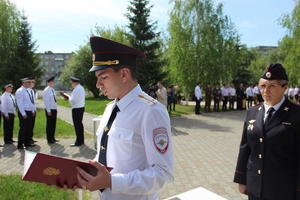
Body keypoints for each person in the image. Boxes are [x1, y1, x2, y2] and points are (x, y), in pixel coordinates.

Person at [64, 36, 175, 200]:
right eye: (97, 78)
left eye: (103, 77)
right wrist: (90, 171)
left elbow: (163, 174)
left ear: (124, 74)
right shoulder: (110, 109)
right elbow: (108, 154)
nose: (98, 85)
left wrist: (111, 181)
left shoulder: (150, 111)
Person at [234, 63, 300, 200]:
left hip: (283, 189)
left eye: (272, 86)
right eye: (263, 86)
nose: (265, 91)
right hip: (255, 186)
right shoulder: (252, 111)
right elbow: (245, 147)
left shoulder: (296, 114)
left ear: (285, 88)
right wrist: (241, 178)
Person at [61, 76, 85, 146]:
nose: (71, 84)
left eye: (72, 82)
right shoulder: (81, 88)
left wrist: (67, 96)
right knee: (80, 125)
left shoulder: (76, 89)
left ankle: (78, 142)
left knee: (77, 125)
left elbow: (73, 101)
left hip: (76, 109)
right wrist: (68, 97)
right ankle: (81, 140)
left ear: (74, 82)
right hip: (80, 108)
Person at [16, 78, 36, 149]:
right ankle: (20, 144)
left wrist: (33, 110)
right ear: (23, 83)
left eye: (30, 82)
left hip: (30, 112)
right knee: (23, 129)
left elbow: (32, 102)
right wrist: (23, 113)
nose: (30, 83)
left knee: (29, 128)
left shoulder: (28, 90)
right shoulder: (20, 91)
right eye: (28, 82)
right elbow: (19, 103)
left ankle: (27, 143)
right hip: (24, 112)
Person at [43, 76, 59, 144]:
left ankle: (53, 138)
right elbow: (47, 101)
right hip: (50, 110)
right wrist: (48, 110)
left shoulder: (52, 89)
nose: (53, 83)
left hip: (54, 109)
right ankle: (49, 139)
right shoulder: (46, 90)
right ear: (49, 83)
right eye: (52, 82)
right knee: (49, 125)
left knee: (53, 124)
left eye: (53, 82)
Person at [28, 77, 37, 144]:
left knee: (32, 126)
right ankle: (28, 140)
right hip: (29, 111)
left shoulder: (32, 91)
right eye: (32, 82)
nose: (33, 83)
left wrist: (34, 110)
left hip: (33, 111)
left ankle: (31, 138)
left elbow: (34, 102)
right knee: (29, 126)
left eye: (34, 82)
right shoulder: (27, 91)